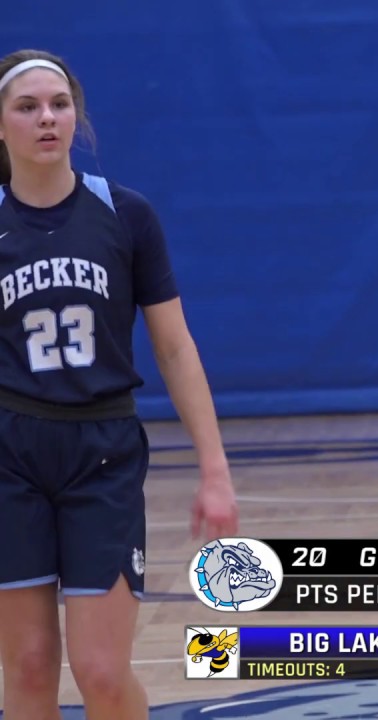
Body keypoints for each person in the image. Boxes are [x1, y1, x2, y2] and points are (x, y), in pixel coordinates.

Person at [0, 49, 238, 719]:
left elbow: (175, 347)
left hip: (100, 451)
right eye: (27, 107)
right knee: (29, 667)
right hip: (10, 453)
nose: (47, 118)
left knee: (102, 672)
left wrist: (214, 470)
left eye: (59, 105)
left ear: (77, 116)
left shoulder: (125, 215)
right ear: (1, 124)